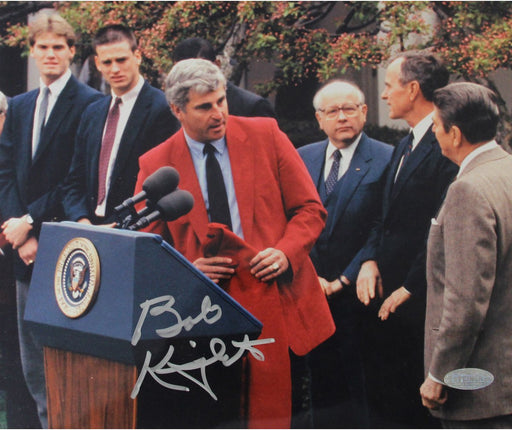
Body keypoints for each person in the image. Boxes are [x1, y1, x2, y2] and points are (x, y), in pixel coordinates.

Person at [133, 58, 334, 428]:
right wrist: (188, 270)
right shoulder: (156, 164)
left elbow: (309, 209)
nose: (218, 114)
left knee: (272, 414)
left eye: (221, 101)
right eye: (204, 107)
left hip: (273, 297)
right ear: (177, 110)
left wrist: (285, 252)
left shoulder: (266, 135)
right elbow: (146, 247)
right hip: (199, 312)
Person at [0, 12, 102, 427]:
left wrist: (32, 222)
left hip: (65, 247)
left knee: (66, 362)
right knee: (32, 367)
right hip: (23, 253)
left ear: (72, 52)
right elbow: (5, 170)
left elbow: (76, 178)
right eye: (42, 47)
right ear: (32, 50)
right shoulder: (21, 105)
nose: (50, 54)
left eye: (58, 47)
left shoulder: (91, 104)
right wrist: (15, 229)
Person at [355, 51, 458, 428]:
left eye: (388, 85)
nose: (383, 96)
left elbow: (441, 228)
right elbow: (382, 216)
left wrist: (411, 286)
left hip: (420, 308)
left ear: (413, 89)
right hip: (388, 305)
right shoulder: (404, 145)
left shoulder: (447, 143)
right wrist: (368, 258)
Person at [298, 80, 393, 428]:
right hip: (312, 294)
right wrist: (310, 277)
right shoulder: (302, 157)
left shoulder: (386, 157)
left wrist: (343, 279)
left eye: (349, 109)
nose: (342, 118)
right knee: (321, 391)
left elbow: (382, 226)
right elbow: (291, 219)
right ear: (319, 118)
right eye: (332, 112)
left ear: (364, 113)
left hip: (360, 299)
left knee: (362, 394)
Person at [420, 82, 512, 428]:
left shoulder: (467, 190)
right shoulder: (506, 169)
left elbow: (465, 300)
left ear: (454, 134)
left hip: (478, 394)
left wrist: (440, 374)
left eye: (435, 124)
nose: (433, 131)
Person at [63, 24, 180, 225]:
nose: (115, 69)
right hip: (88, 228)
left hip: (133, 228)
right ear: (98, 63)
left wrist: (120, 224)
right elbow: (74, 180)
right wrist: (82, 221)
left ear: (138, 56)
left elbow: (161, 185)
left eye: (121, 60)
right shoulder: (92, 112)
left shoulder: (161, 109)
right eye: (107, 62)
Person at [172, 37, 276, 118]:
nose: (190, 80)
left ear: (216, 65)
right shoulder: (177, 110)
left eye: (196, 72)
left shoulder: (252, 107)